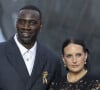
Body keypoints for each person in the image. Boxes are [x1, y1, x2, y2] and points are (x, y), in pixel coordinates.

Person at [0, 5, 61, 90]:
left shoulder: (52, 60)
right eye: (22, 22)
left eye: (32, 23)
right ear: (16, 24)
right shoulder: (1, 52)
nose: (26, 27)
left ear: (40, 26)